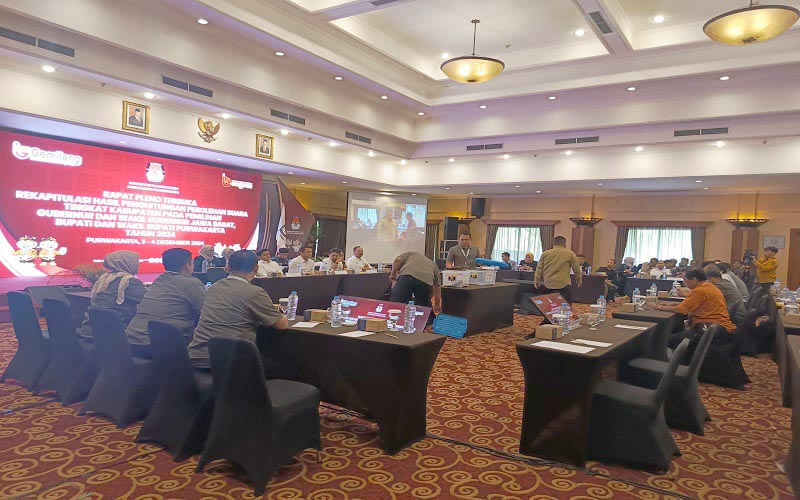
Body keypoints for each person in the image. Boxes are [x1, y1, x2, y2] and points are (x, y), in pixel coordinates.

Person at [188, 250, 288, 369]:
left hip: (195, 358)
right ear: (256, 269)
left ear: (227, 267)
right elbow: (281, 325)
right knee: (282, 365)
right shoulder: (254, 292)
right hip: (230, 364)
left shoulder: (213, 287)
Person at [125, 248, 206, 358]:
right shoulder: (192, 283)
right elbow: (204, 311)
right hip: (158, 346)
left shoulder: (159, 280)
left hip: (131, 342)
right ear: (187, 266)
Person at [655, 269, 736, 347]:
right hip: (719, 327)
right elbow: (693, 305)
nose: (684, 282)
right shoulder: (709, 286)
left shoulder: (700, 290)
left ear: (694, 279)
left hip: (709, 329)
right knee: (675, 331)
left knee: (663, 339)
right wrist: (673, 304)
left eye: (685, 280)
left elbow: (681, 309)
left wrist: (657, 307)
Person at [79, 250, 147, 341]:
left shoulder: (104, 278)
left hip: (90, 332)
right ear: (128, 263)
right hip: (115, 336)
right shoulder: (130, 281)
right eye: (136, 262)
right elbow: (149, 301)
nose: (138, 265)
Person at [533, 236, 581, 302]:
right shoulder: (570, 254)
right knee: (564, 305)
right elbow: (577, 269)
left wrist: (536, 279)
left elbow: (539, 268)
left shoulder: (545, 253)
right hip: (563, 283)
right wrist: (578, 280)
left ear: (553, 243)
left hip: (548, 283)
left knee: (550, 304)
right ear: (564, 244)